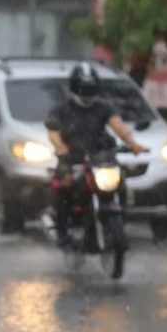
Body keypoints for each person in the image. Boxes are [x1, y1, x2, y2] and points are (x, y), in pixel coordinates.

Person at [45, 62, 148, 246]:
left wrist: (133, 144)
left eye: (90, 88)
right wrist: (61, 148)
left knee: (120, 181)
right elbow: (53, 133)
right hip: (72, 160)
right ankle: (62, 230)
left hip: (100, 159)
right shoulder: (62, 109)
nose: (86, 93)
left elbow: (119, 127)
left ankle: (119, 220)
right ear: (74, 87)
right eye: (83, 88)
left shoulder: (103, 107)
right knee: (66, 183)